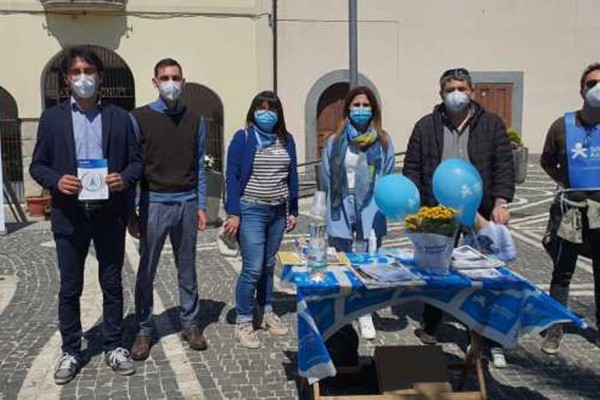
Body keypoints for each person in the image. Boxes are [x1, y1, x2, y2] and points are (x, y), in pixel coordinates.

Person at [30, 47, 142, 384]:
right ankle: (71, 350)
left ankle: (113, 345)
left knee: (112, 284)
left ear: (100, 76)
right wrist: (54, 181)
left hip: (109, 213)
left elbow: (137, 162)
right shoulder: (52, 119)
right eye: (76, 72)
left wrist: (124, 178)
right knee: (69, 287)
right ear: (66, 79)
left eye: (89, 71)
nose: (83, 78)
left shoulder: (121, 117)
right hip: (70, 214)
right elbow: (37, 164)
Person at [403, 68, 515, 366]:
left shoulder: (491, 124)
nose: (457, 94)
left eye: (462, 88)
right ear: (441, 94)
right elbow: (412, 166)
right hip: (438, 211)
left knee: (485, 275)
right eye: (451, 88)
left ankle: (488, 337)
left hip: (480, 210)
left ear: (472, 91)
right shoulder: (425, 126)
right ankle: (431, 324)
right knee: (436, 270)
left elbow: (504, 164)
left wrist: (501, 202)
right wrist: (415, 203)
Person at [128, 58, 208, 360]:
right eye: (164, 77)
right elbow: (133, 166)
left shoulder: (196, 120)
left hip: (187, 202)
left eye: (175, 77)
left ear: (183, 81)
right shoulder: (139, 118)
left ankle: (190, 324)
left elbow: (200, 163)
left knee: (187, 268)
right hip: (153, 202)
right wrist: (133, 210)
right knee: (146, 272)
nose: (170, 83)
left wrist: (201, 205)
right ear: (155, 82)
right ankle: (144, 330)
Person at [223, 90, 299, 349]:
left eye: (272, 109)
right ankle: (244, 321)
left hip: (277, 211)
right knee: (253, 267)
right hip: (251, 210)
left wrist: (293, 209)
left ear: (279, 114)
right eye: (261, 108)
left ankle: (266, 311)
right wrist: (233, 212)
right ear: (253, 111)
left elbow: (292, 176)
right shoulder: (243, 138)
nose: (266, 114)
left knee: (268, 266)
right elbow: (231, 176)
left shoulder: (286, 140)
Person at [321, 85, 396, 340]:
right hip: (342, 202)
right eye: (356, 105)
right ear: (348, 109)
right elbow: (327, 176)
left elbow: (387, 174)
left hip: (370, 204)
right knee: (342, 258)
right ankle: (343, 310)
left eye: (366, 105)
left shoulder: (384, 140)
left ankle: (365, 313)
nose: (361, 110)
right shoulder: (334, 141)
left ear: (373, 109)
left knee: (366, 259)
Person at [540, 62, 600, 354]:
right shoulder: (561, 126)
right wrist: (565, 181)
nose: (597, 88)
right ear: (581, 89)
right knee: (562, 272)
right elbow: (546, 160)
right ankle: (555, 327)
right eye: (591, 83)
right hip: (570, 210)